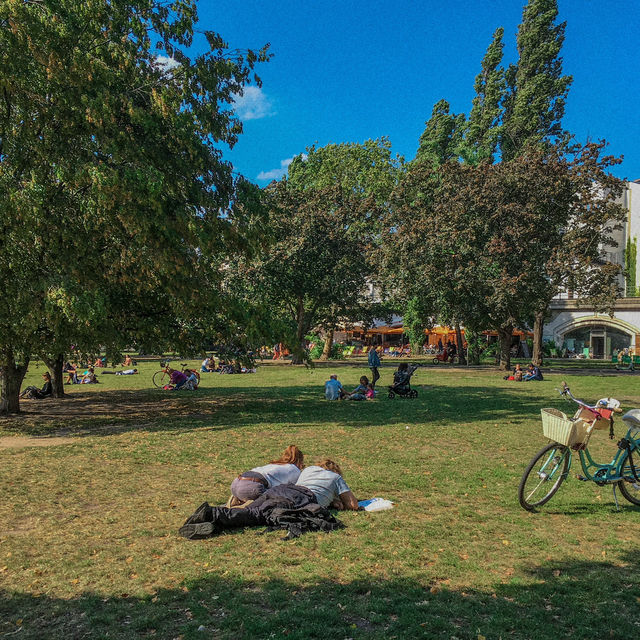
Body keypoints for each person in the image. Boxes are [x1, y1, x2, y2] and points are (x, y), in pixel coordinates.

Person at [230, 445, 305, 505]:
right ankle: (249, 504)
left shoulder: (276, 465)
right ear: (300, 461)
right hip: (251, 486)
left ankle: (239, 499)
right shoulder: (295, 470)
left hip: (235, 483)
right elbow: (297, 490)